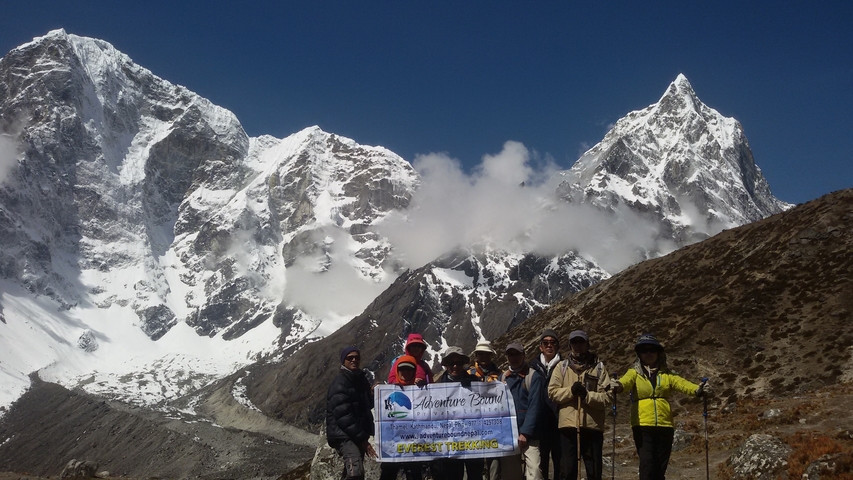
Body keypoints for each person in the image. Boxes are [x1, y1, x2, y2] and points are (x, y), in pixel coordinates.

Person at [609, 333, 712, 480]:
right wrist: (618, 385)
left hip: (665, 424)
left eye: (652, 350)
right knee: (647, 463)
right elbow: (625, 382)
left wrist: (698, 389)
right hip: (642, 424)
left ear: (658, 353)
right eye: (644, 350)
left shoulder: (667, 374)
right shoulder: (634, 373)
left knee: (660, 466)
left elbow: (682, 384)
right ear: (639, 354)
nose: (649, 353)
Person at [548, 330, 611, 480]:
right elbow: (552, 392)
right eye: (574, 342)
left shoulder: (599, 368)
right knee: (568, 471)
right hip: (568, 427)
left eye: (581, 342)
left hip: (592, 427)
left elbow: (607, 397)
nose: (578, 345)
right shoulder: (561, 367)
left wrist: (587, 396)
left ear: (587, 344)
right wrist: (570, 391)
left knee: (594, 472)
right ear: (570, 345)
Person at [433, 346, 484, 480]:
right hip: (450, 443)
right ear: (446, 365)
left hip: (473, 441)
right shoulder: (435, 388)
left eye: (459, 363)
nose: (455, 366)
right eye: (451, 363)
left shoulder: (475, 383)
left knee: (476, 476)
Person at [326, 346, 377, 480]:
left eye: (357, 357)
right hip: (343, 435)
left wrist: (374, 394)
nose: (354, 360)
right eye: (350, 358)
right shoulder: (340, 384)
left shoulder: (360, 379)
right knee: (355, 472)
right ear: (343, 361)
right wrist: (363, 440)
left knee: (351, 471)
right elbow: (344, 417)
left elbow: (367, 404)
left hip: (355, 433)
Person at [500, 342, 544, 480]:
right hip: (509, 436)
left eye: (517, 354)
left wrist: (525, 432)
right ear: (507, 357)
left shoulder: (533, 376)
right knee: (510, 474)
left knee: (535, 471)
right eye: (511, 355)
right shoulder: (503, 378)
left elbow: (534, 406)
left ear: (523, 355)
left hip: (530, 436)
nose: (514, 358)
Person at [380, 355, 424, 480]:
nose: (405, 372)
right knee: (388, 473)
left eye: (409, 369)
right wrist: (374, 392)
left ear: (414, 371)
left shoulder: (422, 390)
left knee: (414, 474)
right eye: (402, 369)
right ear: (397, 371)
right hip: (393, 444)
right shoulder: (387, 392)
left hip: (414, 444)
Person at [529, 328, 562, 480]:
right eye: (546, 343)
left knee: (560, 463)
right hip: (539, 424)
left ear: (557, 346)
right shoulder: (532, 367)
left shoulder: (565, 366)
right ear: (540, 346)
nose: (549, 345)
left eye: (553, 342)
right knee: (541, 464)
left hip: (559, 422)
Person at [469, 340, 502, 480]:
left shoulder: (499, 375)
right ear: (476, 356)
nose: (483, 357)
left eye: (486, 354)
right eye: (480, 354)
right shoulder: (468, 374)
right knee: (475, 467)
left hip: (493, 425)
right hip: (473, 427)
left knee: (494, 465)